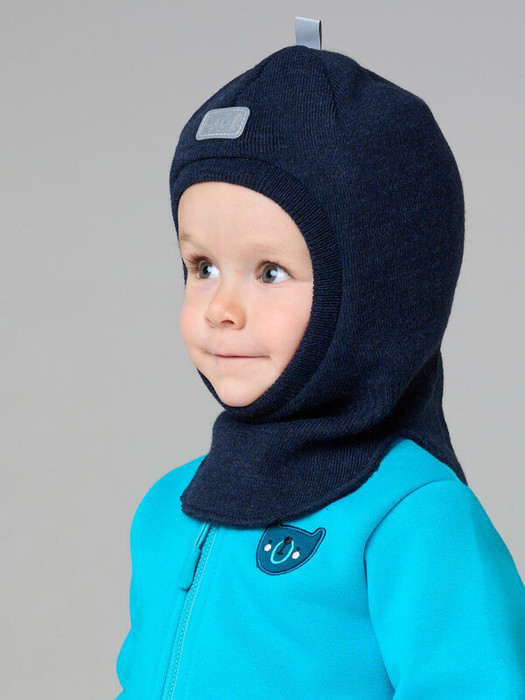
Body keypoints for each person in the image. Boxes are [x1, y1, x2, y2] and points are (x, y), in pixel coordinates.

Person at [114, 17, 525, 699]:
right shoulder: (167, 510)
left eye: (270, 272)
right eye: (202, 266)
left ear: (375, 293)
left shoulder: (412, 514)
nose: (221, 308)